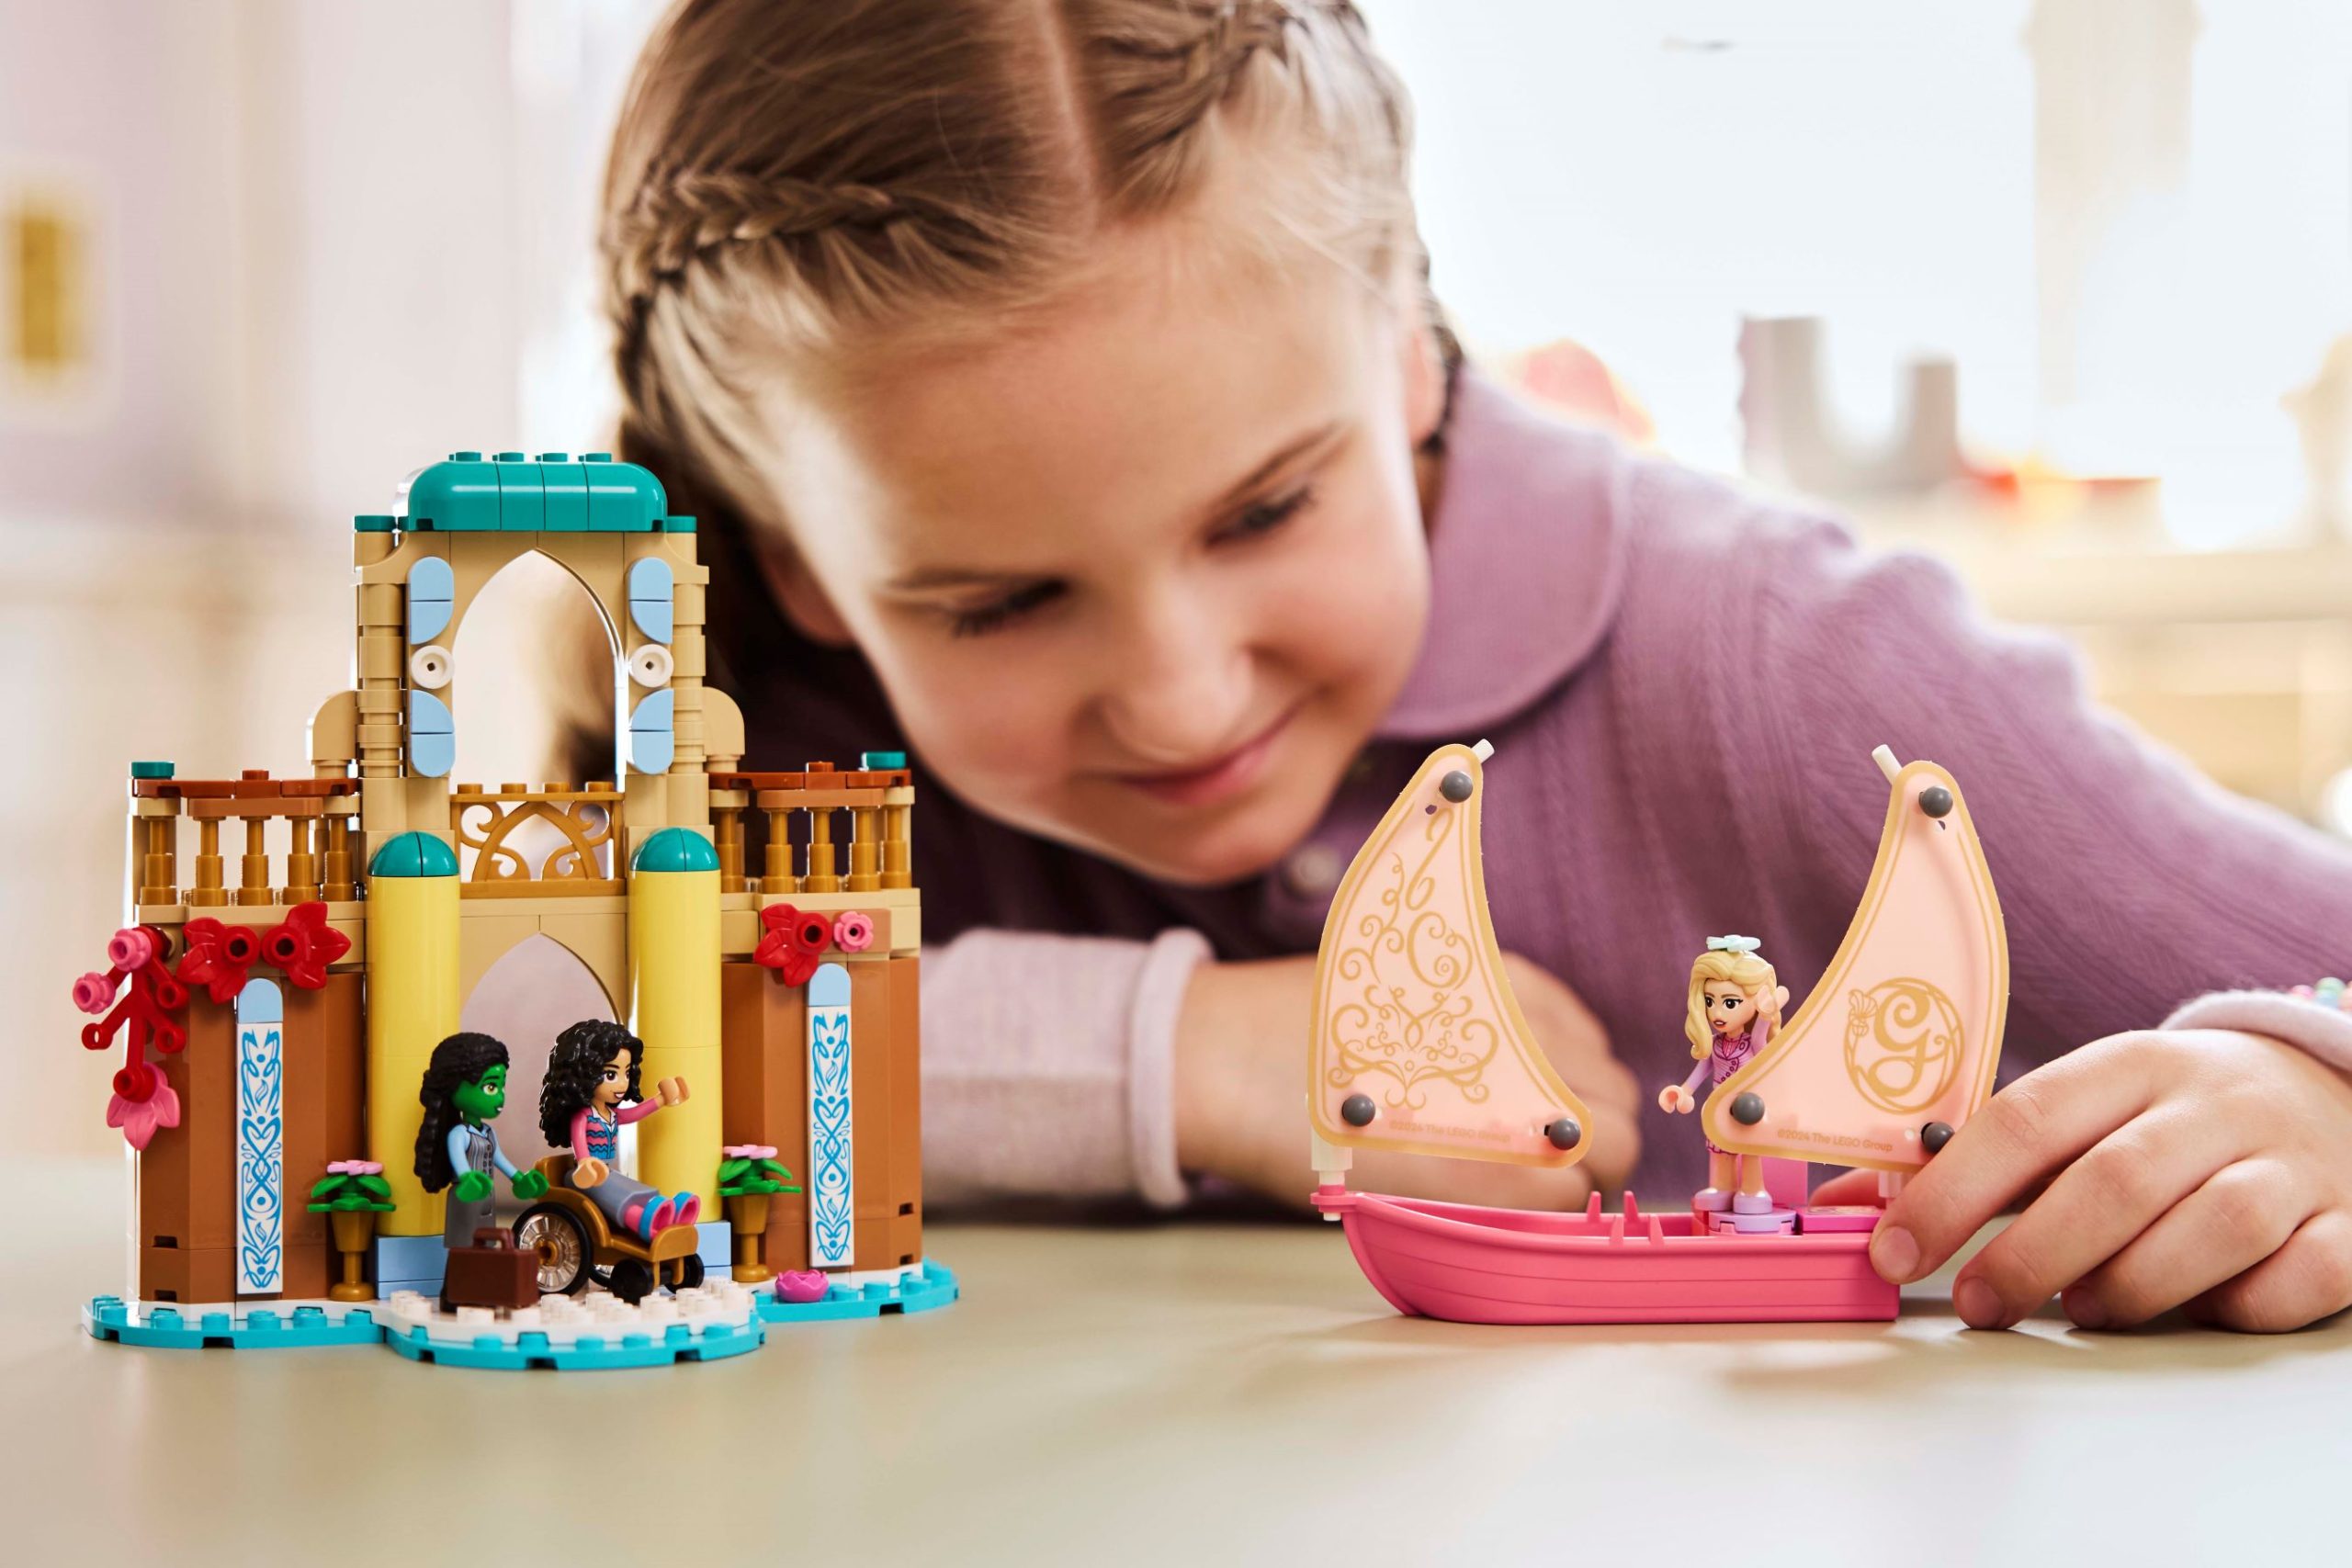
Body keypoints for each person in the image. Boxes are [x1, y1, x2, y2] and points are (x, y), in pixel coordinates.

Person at [572, 0, 2352, 1330]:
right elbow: (508, 1077)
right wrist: (1183, 1056)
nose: (1183, 698)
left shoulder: (1778, 659)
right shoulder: (763, 756)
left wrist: (2313, 1095)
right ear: (795, 560)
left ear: (1413, 351)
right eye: (998, 604)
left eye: (1267, 508)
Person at [536, 1020, 700, 1240]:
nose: (622, 1084)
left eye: (627, 1074)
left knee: (632, 1187)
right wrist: (585, 1161)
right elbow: (579, 1143)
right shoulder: (584, 1116)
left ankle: (665, 1213)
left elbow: (634, 1114)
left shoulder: (611, 1114)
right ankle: (643, 1221)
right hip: (584, 1177)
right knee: (616, 1195)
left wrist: (661, 1099)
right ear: (584, 1075)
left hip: (606, 1173)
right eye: (611, 1075)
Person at [413, 1032, 549, 1249]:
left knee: (486, 1242)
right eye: (490, 1087)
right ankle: (458, 1273)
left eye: (502, 1086)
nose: (500, 1097)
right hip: (467, 1195)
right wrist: (467, 1177)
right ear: (455, 1087)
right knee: (464, 1244)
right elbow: (459, 1160)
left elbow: (499, 1158)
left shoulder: (487, 1132)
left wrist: (518, 1178)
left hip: (487, 1195)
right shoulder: (459, 1134)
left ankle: (484, 1270)